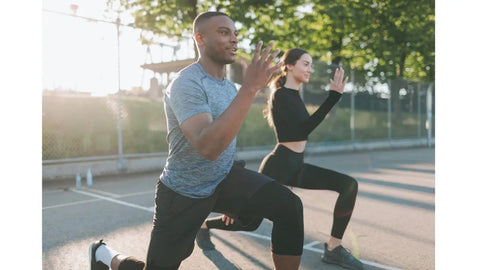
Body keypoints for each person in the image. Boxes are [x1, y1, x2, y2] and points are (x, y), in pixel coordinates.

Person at [89, 11, 305, 270]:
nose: (233, 39)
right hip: (183, 192)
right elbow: (208, 147)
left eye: (235, 34)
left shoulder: (228, 88)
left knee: (289, 207)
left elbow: (225, 140)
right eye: (224, 32)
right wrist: (250, 88)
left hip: (223, 180)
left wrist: (234, 194)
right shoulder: (186, 83)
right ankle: (104, 255)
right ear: (199, 38)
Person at [197, 48, 364, 270]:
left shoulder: (295, 96)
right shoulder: (281, 95)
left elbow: (303, 132)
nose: (309, 69)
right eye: (305, 64)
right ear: (290, 65)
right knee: (249, 222)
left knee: (348, 185)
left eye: (311, 64)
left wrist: (333, 98)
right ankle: (205, 225)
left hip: (296, 165)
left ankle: (334, 248)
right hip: (278, 165)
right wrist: (333, 97)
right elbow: (302, 130)